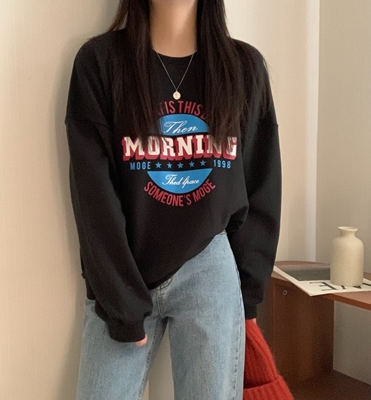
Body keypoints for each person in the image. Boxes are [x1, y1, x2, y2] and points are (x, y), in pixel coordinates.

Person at [64, 0, 281, 399]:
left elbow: (262, 184)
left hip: (211, 270)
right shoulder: (100, 63)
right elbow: (93, 196)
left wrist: (247, 296)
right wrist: (123, 305)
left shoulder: (243, 68)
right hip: (125, 268)